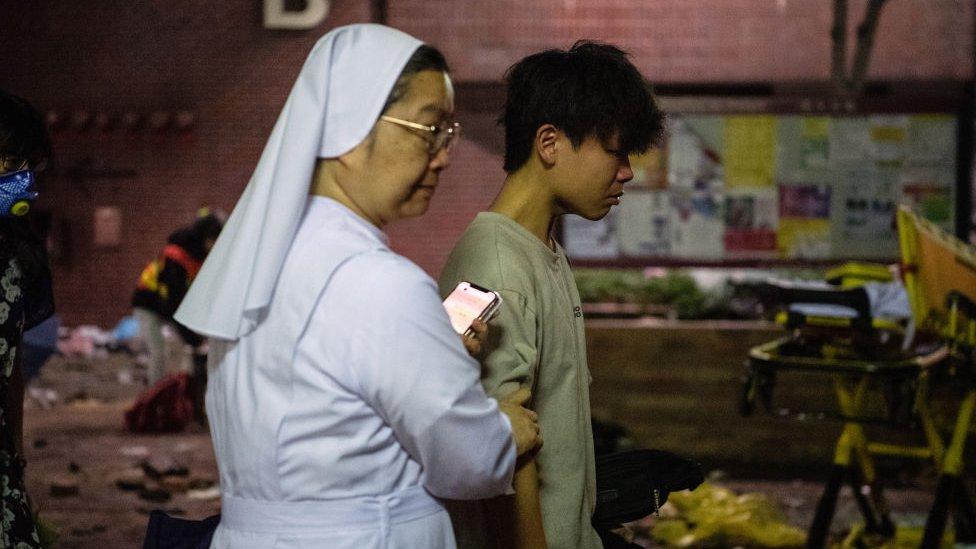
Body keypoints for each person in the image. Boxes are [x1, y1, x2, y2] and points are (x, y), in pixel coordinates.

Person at [172, 24, 541, 549]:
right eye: (428, 129)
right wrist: (504, 429)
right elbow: (469, 462)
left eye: (448, 134)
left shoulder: (261, 264)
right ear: (348, 129)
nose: (443, 155)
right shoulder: (379, 282)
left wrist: (432, 353)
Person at [439, 42, 665, 548]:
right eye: (614, 151)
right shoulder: (499, 267)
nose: (626, 171)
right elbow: (502, 457)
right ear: (549, 143)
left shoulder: (541, 249)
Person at [0, 89, 56, 549]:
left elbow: (11, 363)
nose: (23, 180)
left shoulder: (14, 253)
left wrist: (16, 452)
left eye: (30, 166)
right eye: (12, 162)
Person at [132, 210, 223, 387]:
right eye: (214, 240)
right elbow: (174, 304)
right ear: (205, 237)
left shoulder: (198, 257)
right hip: (147, 303)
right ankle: (154, 398)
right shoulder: (177, 257)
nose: (215, 246)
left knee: (181, 353)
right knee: (158, 352)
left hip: (164, 304)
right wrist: (194, 339)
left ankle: (178, 396)